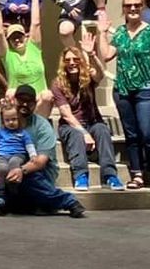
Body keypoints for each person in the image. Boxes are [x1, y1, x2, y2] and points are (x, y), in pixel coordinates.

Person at [101, 0, 150, 192]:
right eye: (128, 5)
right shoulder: (120, 33)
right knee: (131, 134)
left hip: (146, 88)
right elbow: (106, 55)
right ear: (123, 9)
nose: (132, 9)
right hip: (123, 89)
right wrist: (102, 32)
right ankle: (136, 173)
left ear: (142, 7)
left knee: (148, 132)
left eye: (136, 5)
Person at [0, 85, 86, 217]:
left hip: (35, 171)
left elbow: (41, 161)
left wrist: (20, 171)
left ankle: (69, 202)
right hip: (4, 166)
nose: (25, 104)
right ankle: (21, 203)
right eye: (21, 100)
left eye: (29, 102)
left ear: (35, 104)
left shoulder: (42, 126)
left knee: (30, 179)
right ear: (14, 100)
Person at [41, 44, 121, 190]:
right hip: (69, 125)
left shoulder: (88, 78)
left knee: (102, 130)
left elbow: (101, 75)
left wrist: (91, 55)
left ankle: (110, 176)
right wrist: (85, 134)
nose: (72, 63)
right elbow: (66, 114)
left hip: (93, 122)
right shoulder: (58, 84)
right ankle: (81, 176)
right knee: (76, 135)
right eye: (68, 60)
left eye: (75, 59)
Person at [0, 98, 37, 212]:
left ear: (19, 119)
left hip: (18, 155)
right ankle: (1, 192)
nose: (11, 122)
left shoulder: (22, 133)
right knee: (2, 168)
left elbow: (29, 145)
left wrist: (33, 155)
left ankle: (13, 188)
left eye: (14, 119)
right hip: (2, 155)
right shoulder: (0, 133)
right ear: (3, 121)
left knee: (14, 163)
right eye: (7, 120)